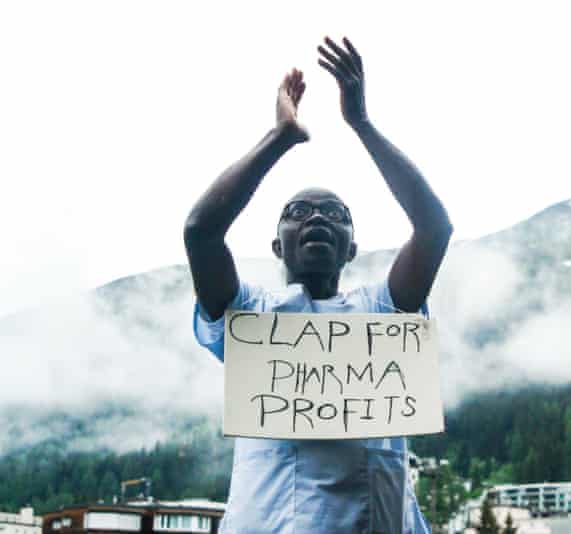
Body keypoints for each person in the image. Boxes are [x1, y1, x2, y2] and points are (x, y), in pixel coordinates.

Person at [183, 36, 452, 534]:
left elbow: (435, 229)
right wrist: (280, 136)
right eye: (297, 213)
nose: (317, 218)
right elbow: (201, 232)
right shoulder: (250, 318)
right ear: (277, 246)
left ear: (351, 248)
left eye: (334, 214)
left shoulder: (382, 312)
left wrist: (362, 123)